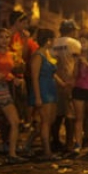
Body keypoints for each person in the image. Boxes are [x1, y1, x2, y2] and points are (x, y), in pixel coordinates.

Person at [0, 28, 28, 163]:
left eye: (7, 37)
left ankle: (12, 153)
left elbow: (12, 70)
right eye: (1, 37)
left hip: (4, 90)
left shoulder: (13, 54)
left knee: (15, 122)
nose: (4, 40)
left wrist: (15, 78)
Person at [25, 28, 65, 161]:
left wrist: (62, 84)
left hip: (50, 89)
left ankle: (28, 144)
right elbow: (35, 77)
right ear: (48, 41)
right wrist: (37, 97)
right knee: (46, 122)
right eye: (53, 39)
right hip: (43, 90)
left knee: (49, 121)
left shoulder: (46, 54)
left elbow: (52, 72)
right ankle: (47, 151)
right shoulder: (38, 56)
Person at [52, 19, 81, 152]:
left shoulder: (54, 43)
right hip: (70, 81)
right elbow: (77, 62)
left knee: (57, 113)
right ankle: (69, 143)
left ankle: (56, 140)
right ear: (72, 30)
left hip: (56, 81)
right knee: (70, 113)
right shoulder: (74, 43)